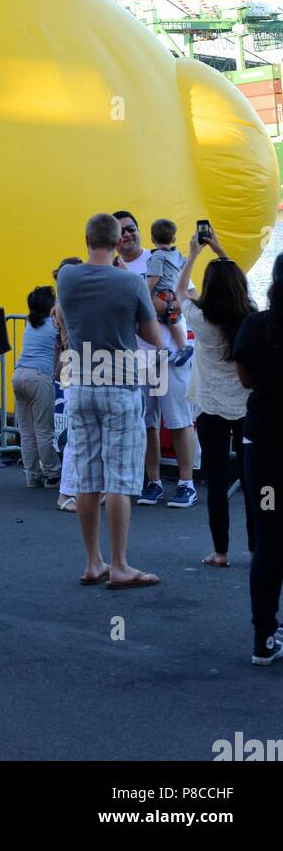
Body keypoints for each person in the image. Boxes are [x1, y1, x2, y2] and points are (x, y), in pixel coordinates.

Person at [56, 213, 161, 588]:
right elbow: (154, 336)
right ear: (118, 243)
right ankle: (119, 565)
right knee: (119, 478)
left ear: (85, 239)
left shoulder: (66, 277)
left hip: (81, 384)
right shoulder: (131, 282)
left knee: (87, 477)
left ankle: (91, 562)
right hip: (120, 384)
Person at [177, 230, 255, 568]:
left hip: (211, 407)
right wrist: (220, 250)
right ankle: (256, 548)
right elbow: (240, 284)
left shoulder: (199, 317)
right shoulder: (249, 315)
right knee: (253, 480)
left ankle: (220, 551)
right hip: (248, 406)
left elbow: (180, 291)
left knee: (217, 479)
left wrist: (194, 254)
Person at [114, 210, 198, 509]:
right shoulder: (114, 270)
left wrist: (157, 304)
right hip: (139, 356)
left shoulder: (160, 257)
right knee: (146, 421)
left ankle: (186, 483)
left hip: (171, 356)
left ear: (141, 232)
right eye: (121, 231)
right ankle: (153, 481)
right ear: (112, 238)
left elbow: (185, 295)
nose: (127, 234)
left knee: (178, 419)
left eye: (131, 228)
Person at [234, 253, 283, 663]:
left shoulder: (255, 327)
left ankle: (264, 637)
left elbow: (246, 379)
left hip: (264, 447)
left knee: (269, 542)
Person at [12, 286, 60, 490]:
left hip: (19, 375)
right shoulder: (54, 326)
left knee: (27, 431)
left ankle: (32, 476)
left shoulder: (29, 324)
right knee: (43, 430)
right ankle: (52, 473)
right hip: (39, 377)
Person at [51, 256, 82, 512]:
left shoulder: (63, 302)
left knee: (81, 432)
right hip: (77, 367)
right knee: (77, 433)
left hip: (78, 366)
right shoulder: (67, 303)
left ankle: (76, 490)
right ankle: (67, 492)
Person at [146, 219, 191, 362]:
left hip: (160, 293)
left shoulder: (158, 255)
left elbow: (155, 276)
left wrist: (145, 290)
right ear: (174, 239)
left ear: (152, 238)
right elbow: (185, 265)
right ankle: (183, 346)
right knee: (171, 320)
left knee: (152, 318)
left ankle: (161, 348)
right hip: (172, 292)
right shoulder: (177, 254)